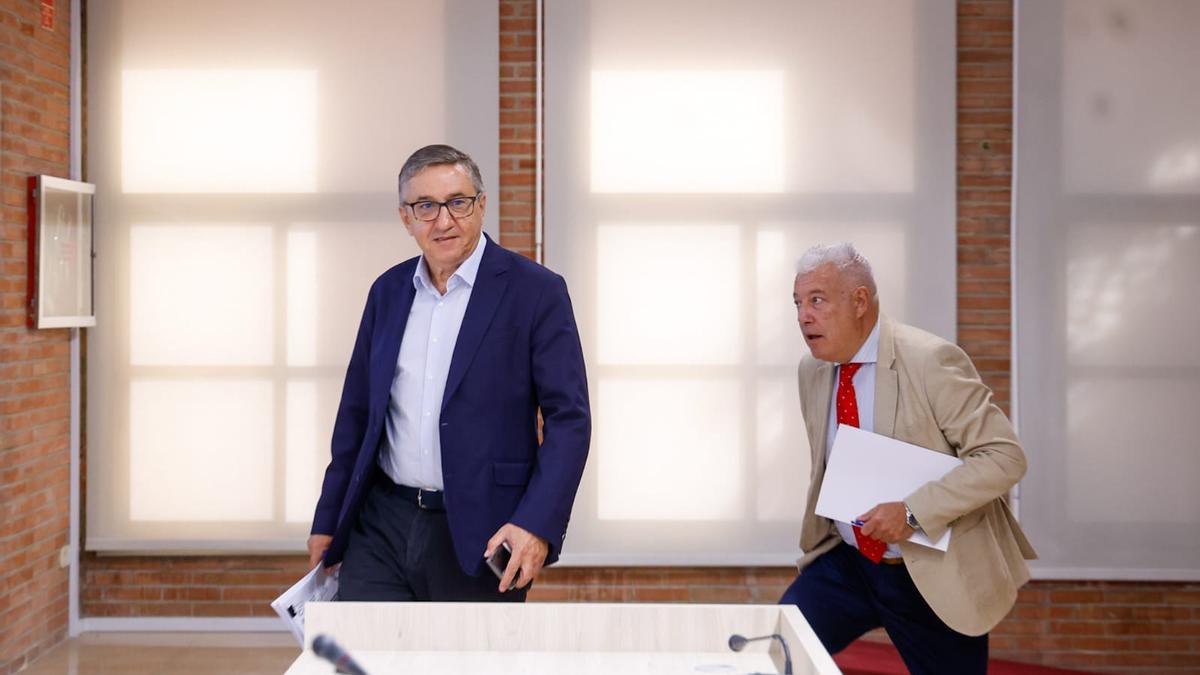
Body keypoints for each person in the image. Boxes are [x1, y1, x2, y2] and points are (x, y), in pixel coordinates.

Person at [307, 144, 591, 601]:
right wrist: (328, 520)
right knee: (365, 660)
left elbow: (569, 422)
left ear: (481, 205)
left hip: (482, 531)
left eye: (458, 202)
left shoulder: (536, 292)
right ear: (406, 218)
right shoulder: (387, 292)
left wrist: (536, 523)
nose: (443, 221)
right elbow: (356, 417)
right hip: (380, 525)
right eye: (426, 207)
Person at [780, 242, 1036, 674]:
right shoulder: (813, 369)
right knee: (775, 650)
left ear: (860, 301)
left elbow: (1003, 457)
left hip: (929, 573)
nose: (804, 316)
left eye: (818, 300)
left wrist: (913, 512)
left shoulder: (929, 360)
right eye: (799, 303)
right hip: (849, 563)